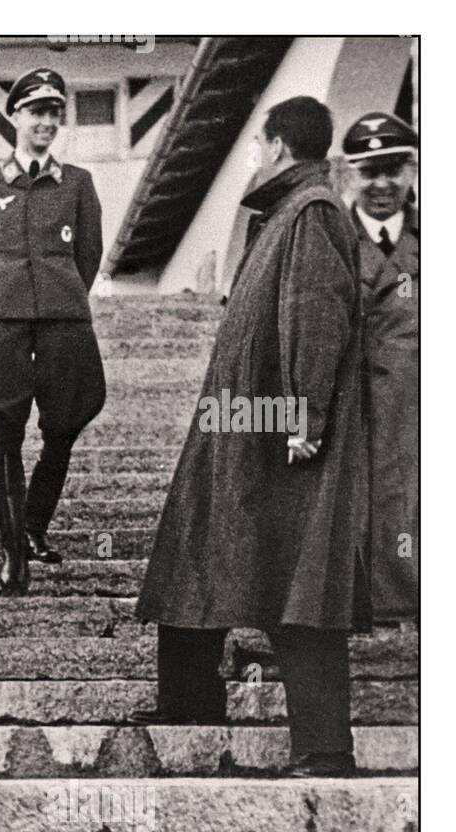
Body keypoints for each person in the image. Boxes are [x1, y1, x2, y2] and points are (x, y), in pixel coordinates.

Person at [134, 96, 369, 778]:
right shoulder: (285, 214)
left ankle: (325, 748)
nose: (253, 158)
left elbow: (316, 317)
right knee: (195, 555)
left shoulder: (312, 212)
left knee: (298, 584)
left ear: (279, 148)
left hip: (276, 435)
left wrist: (306, 415)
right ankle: (189, 704)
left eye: (258, 146)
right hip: (241, 427)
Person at [0, 67, 106, 591]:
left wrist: (62, 296)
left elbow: (88, 256)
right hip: (2, 321)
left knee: (64, 424)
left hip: (63, 320)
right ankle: (13, 553)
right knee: (6, 428)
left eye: (54, 113)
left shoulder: (77, 183)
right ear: (15, 118)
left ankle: (34, 525)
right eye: (36, 112)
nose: (46, 122)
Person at [342, 111, 419, 623]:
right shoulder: (329, 235)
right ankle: (352, 599)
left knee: (407, 492)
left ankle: (406, 599)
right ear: (349, 176)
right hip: (345, 396)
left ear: (412, 170)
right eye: (370, 171)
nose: (383, 183)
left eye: (394, 167)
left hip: (413, 399)